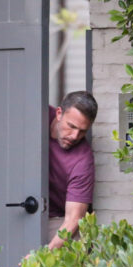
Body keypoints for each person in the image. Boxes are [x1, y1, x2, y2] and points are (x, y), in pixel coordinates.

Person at [47, 91, 98, 250]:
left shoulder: (83, 160)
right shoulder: (35, 114)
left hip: (58, 223)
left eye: (83, 131)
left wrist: (43, 256)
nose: (75, 136)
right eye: (72, 126)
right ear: (59, 113)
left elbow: (73, 219)